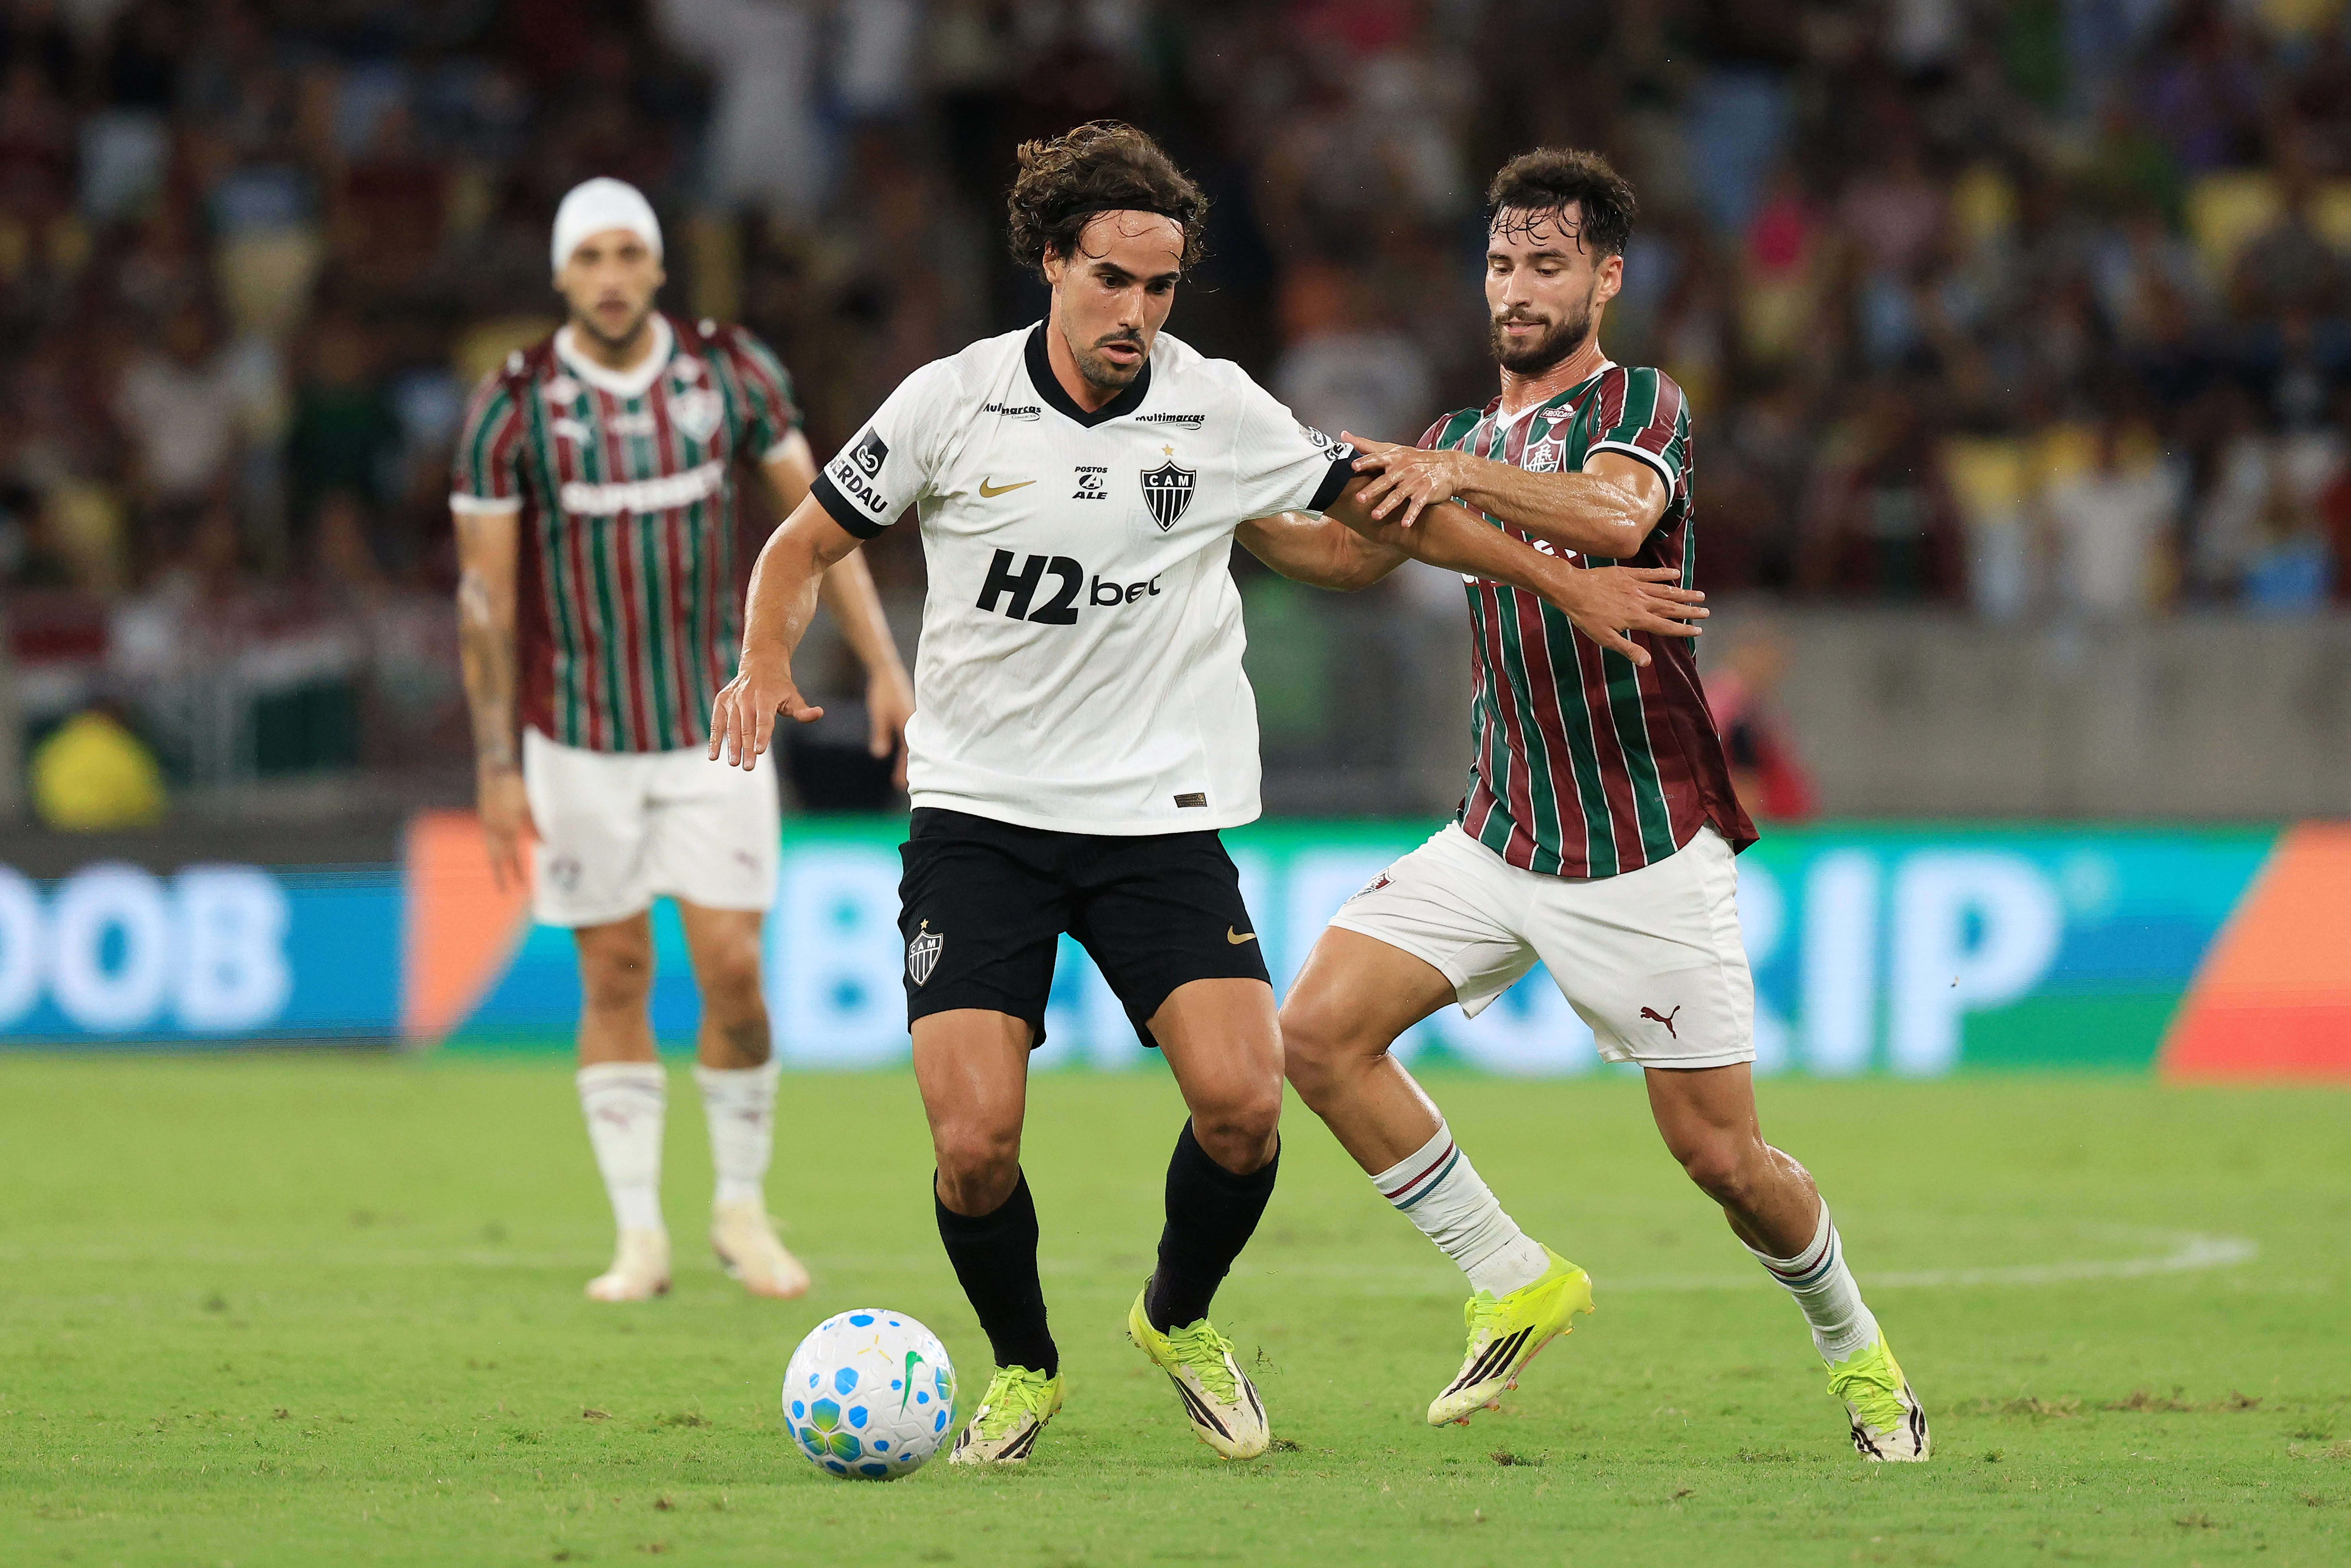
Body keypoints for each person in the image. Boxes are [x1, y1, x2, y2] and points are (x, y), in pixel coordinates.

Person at [707, 122, 1703, 1466]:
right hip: (979, 819)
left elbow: (1386, 512)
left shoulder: (1217, 406)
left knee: (1243, 1108)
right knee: (974, 1145)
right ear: (1051, 263)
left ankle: (1175, 1318)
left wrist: (1557, 578)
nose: (1136, 312)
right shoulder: (949, 401)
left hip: (1156, 819)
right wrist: (763, 662)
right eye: (1110, 280)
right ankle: (1022, 1366)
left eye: (1161, 287)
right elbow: (801, 543)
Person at [1278, 148, 1931, 1463]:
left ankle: (1858, 1353)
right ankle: (1510, 1275)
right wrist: (1211, 512)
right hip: (1496, 832)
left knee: (1724, 1161)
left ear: (1606, 278)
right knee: (1316, 1036)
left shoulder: (1638, 403)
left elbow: (1616, 518)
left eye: (1547, 264)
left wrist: (1451, 476)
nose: (1515, 288)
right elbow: (1348, 553)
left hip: (1639, 848)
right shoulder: (1456, 436)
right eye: (1499, 263)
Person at [450, 178, 916, 1305]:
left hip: (717, 726)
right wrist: (497, 765)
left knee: (735, 970)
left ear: (659, 267)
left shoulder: (728, 374)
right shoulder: (512, 405)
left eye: (629, 254)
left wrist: (885, 663)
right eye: (590, 258)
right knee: (614, 972)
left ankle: (741, 1209)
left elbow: (828, 527)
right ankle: (638, 1236)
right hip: (576, 736)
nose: (611, 276)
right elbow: (484, 601)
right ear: (562, 275)